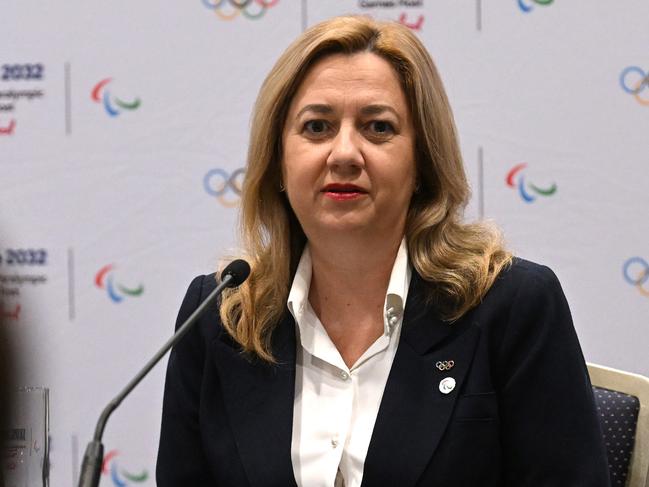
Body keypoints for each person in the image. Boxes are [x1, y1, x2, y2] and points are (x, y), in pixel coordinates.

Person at [157, 16, 610, 486]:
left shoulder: (510, 306)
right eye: (316, 127)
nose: (345, 153)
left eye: (377, 127)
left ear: (422, 163)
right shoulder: (222, 315)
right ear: (277, 163)